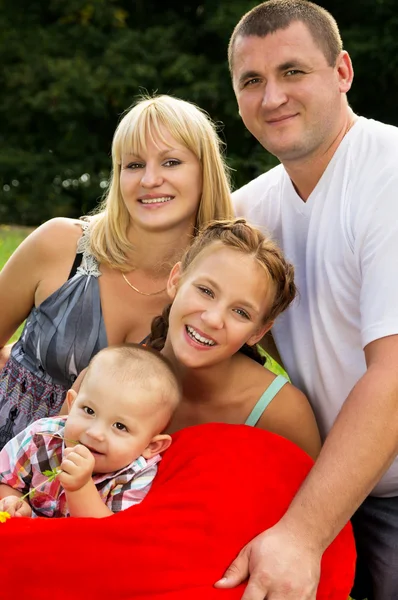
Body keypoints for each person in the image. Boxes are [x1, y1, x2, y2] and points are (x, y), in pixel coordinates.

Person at [215, 1, 398, 599]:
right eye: (252, 81)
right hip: (332, 482)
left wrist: (301, 534)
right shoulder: (249, 212)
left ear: (342, 71)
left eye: (293, 71)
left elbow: (394, 377)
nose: (272, 98)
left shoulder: (388, 173)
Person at [0, 94, 233, 450]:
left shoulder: (218, 292)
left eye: (171, 162)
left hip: (111, 494)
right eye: (134, 165)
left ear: (206, 172)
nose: (150, 179)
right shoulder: (60, 245)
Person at [149, 218, 321, 461]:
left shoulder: (282, 413)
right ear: (175, 280)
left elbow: (314, 498)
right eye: (206, 291)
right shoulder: (109, 377)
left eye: (241, 312)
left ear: (258, 332)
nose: (213, 319)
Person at [0, 344, 179, 518]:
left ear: (151, 445)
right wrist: (14, 503)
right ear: (72, 404)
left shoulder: (135, 476)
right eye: (89, 411)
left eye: (120, 426)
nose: (95, 433)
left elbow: (112, 535)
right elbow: (5, 480)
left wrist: (81, 487)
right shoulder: (41, 437)